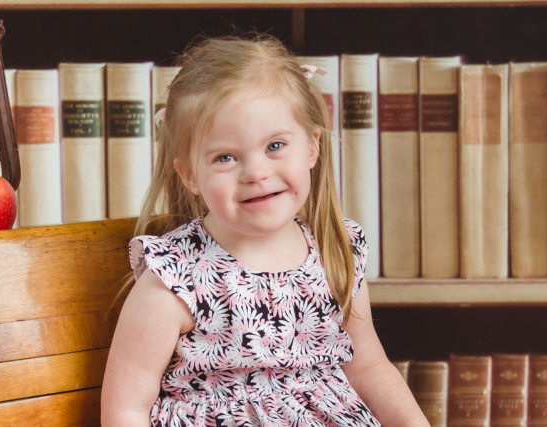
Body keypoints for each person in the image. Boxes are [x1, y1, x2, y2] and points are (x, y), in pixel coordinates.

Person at [100, 34, 430, 427]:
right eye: (225, 157)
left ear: (311, 147)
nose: (256, 172)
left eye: (275, 146)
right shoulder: (175, 277)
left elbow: (369, 367)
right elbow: (126, 407)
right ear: (190, 174)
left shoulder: (336, 251)